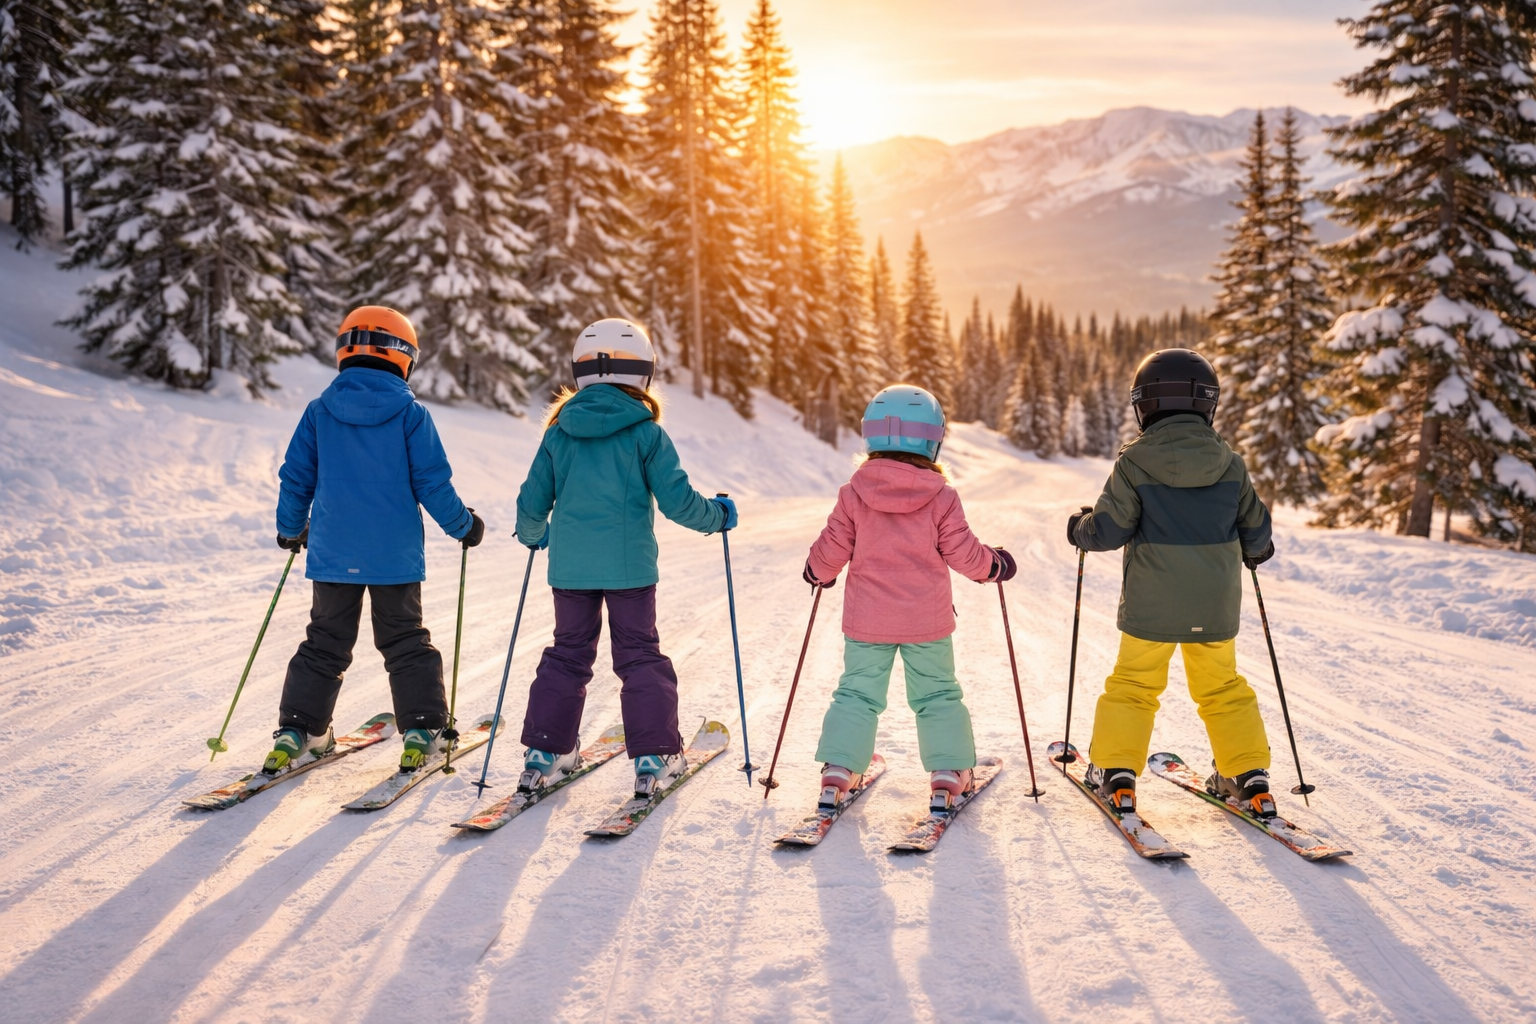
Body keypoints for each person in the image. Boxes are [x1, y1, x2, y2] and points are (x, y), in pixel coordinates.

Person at [515, 318, 733, 797]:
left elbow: (531, 503)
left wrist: (534, 535)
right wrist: (717, 517)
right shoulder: (646, 434)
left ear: (581, 372)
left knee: (568, 653)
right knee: (637, 655)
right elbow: (678, 502)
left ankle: (545, 752)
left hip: (570, 570)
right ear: (643, 373)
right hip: (631, 570)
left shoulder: (559, 434)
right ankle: (654, 755)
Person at [265, 306, 485, 774]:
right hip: (394, 557)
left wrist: (290, 528)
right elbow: (432, 482)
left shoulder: (319, 412)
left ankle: (298, 731)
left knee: (324, 641)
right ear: (405, 355)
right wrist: (463, 525)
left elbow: (296, 478)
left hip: (333, 554)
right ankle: (423, 726)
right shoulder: (410, 413)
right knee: (405, 639)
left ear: (345, 350)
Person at [1068, 348, 1277, 817]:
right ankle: (1248, 777)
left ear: (1144, 404)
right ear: (1208, 403)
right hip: (1214, 604)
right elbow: (1257, 535)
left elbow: (1107, 530)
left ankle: (1116, 772)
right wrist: (1254, 551)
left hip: (1152, 606)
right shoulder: (1230, 463)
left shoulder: (1135, 462)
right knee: (1222, 687)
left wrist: (1078, 528)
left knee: (1134, 685)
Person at [802, 384, 1016, 813]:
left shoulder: (853, 493)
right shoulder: (941, 495)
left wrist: (817, 572)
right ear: (932, 439)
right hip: (926, 622)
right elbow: (963, 553)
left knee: (857, 693)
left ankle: (839, 770)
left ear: (871, 436)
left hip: (867, 621)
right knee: (936, 693)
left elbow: (832, 546)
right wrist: (994, 566)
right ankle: (949, 772)